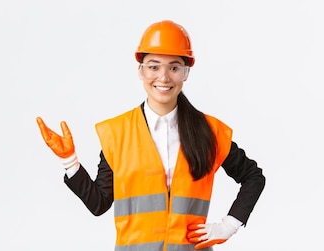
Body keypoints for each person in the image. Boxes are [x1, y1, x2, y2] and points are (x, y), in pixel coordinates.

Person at [35, 20, 265, 251]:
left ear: (186, 73)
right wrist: (70, 161)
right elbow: (99, 204)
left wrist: (228, 225)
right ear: (141, 70)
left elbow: (253, 176)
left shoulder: (208, 131)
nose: (163, 77)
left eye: (174, 67)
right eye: (154, 66)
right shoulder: (118, 133)